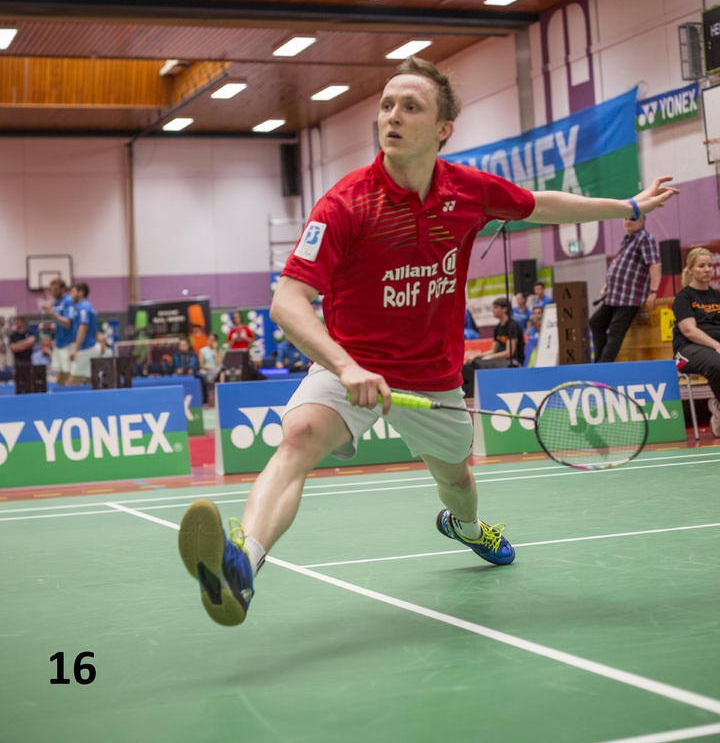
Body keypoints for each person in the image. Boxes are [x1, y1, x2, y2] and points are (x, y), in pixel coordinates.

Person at [177, 56, 678, 628]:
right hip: (351, 365)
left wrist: (628, 206)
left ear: (443, 129)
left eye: (410, 107)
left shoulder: (468, 191)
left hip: (434, 377)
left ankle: (466, 528)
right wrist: (344, 367)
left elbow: (540, 203)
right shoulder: (346, 204)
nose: (392, 116)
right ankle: (241, 565)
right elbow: (287, 302)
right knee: (299, 438)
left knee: (456, 481)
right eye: (387, 105)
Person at [589, 213, 661, 363]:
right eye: (626, 218)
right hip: (614, 295)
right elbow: (618, 265)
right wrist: (606, 285)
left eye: (632, 218)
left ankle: (603, 366)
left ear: (642, 221)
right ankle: (599, 364)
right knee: (596, 322)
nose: (628, 221)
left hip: (629, 297)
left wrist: (653, 292)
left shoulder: (644, 238)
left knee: (615, 332)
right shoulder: (627, 240)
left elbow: (654, 264)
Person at [672, 247, 720, 437]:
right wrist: (716, 345)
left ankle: (717, 405)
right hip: (687, 351)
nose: (707, 269)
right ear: (690, 269)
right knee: (717, 363)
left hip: (714, 348)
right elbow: (689, 331)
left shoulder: (717, 296)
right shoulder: (684, 297)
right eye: (701, 266)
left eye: (709, 265)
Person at [40, 277, 75, 385]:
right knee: (58, 373)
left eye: (56, 289)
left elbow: (67, 323)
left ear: (63, 289)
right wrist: (46, 327)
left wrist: (51, 313)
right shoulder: (55, 302)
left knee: (68, 372)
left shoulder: (68, 301)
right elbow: (58, 323)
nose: (53, 292)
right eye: (51, 289)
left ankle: (71, 393)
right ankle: (60, 393)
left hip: (68, 343)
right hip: (58, 343)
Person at [68, 282, 100, 384]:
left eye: (73, 292)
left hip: (85, 348)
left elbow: (83, 327)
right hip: (90, 347)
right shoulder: (86, 306)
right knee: (92, 380)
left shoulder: (83, 307)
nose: (70, 295)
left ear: (81, 293)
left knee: (72, 383)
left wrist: (75, 349)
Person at [479, 297, 524, 366]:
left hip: (513, 361)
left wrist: (491, 357)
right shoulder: (497, 327)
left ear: (504, 309)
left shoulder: (512, 326)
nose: (493, 310)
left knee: (485, 363)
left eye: (496, 307)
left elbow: (509, 353)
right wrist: (478, 356)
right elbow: (494, 350)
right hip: (500, 360)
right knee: (475, 362)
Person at [199, 332, 224, 405]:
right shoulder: (203, 350)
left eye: (213, 340)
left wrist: (215, 350)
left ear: (216, 341)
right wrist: (212, 367)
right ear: (207, 340)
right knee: (222, 370)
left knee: (222, 370)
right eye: (210, 339)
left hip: (217, 371)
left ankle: (222, 390)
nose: (211, 341)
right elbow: (201, 365)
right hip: (207, 370)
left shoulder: (219, 350)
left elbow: (219, 363)